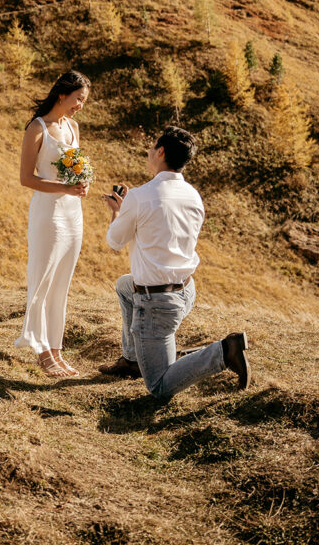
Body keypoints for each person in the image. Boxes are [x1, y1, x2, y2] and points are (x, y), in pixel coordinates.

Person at [98, 125, 251, 399]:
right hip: (185, 290)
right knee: (124, 286)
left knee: (158, 385)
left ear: (161, 152)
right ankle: (132, 360)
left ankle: (224, 352)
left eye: (152, 147)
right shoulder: (193, 195)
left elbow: (114, 242)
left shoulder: (139, 196)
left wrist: (119, 212)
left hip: (157, 303)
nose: (149, 152)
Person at [15, 70, 91, 378]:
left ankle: (56, 350)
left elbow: (75, 168)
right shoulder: (37, 128)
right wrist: (64, 188)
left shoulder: (73, 127)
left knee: (62, 283)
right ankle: (41, 350)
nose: (80, 106)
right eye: (78, 99)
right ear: (62, 94)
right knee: (43, 280)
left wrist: (81, 183)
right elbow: (26, 178)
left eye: (84, 101)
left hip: (73, 213)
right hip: (48, 213)